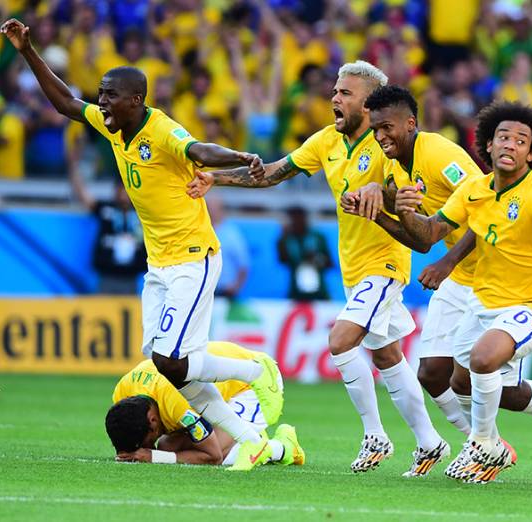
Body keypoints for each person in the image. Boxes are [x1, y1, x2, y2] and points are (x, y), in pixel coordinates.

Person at [0, 18, 282, 472]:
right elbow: (66, 104)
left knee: (175, 361)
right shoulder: (114, 126)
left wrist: (239, 155)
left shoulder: (161, 130)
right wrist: (27, 50)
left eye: (110, 94)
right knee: (162, 362)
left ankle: (255, 372)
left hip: (194, 256)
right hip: (159, 263)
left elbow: (200, 150)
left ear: (137, 100)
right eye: (102, 92)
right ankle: (254, 442)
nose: (102, 100)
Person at [185, 61, 447, 477]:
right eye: (335, 92)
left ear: (370, 103)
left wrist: (385, 192)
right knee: (387, 355)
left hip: (385, 262)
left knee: (341, 341)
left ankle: (375, 435)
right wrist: (217, 178)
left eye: (346, 93)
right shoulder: (326, 141)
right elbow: (273, 174)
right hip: (353, 268)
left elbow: (412, 199)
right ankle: (430, 442)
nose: (335, 99)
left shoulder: (388, 145)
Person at [383, 100, 532, 483]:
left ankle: (485, 445)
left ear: (531, 154)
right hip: (480, 301)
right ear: (487, 145)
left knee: (483, 361)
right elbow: (430, 233)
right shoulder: (474, 190)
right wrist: (401, 211)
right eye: (503, 137)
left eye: (521, 141)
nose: (510, 144)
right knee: (466, 383)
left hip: (528, 306)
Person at [342, 84, 484, 437]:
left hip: (497, 273)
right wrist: (377, 213)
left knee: (486, 381)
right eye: (374, 129)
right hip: (462, 274)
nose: (380, 136)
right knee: (432, 373)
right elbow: (421, 243)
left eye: (386, 127)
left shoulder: (438, 154)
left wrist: (447, 262)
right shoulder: (395, 169)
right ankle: (478, 444)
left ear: (410, 123)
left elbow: (489, 211)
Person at [107, 341, 303, 468]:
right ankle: (250, 436)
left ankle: (284, 448)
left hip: (253, 384)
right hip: (218, 389)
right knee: (167, 447)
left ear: (152, 420)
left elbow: (212, 456)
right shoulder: (122, 393)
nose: (146, 446)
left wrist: (153, 456)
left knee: (223, 455)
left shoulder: (177, 403)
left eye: (146, 441)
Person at [69, 173, 147, 295]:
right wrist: (73, 167)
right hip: (106, 276)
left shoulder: (142, 212)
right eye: (121, 189)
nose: (124, 193)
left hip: (131, 277)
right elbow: (84, 198)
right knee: (102, 311)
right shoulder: (105, 209)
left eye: (127, 189)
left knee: (128, 312)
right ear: (115, 190)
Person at [277, 206, 331, 302]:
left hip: (320, 292)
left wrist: (316, 259)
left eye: (299, 218)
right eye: (293, 219)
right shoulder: (286, 239)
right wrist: (282, 239)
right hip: (296, 292)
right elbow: (283, 260)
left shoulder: (318, 237)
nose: (296, 222)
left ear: (305, 218)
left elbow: (330, 263)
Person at [207, 195, 250, 300]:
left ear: (222, 210)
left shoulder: (232, 234)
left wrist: (235, 287)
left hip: (225, 291)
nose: (211, 212)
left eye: (214, 209)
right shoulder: (200, 232)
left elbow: (244, 264)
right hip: (204, 289)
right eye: (208, 209)